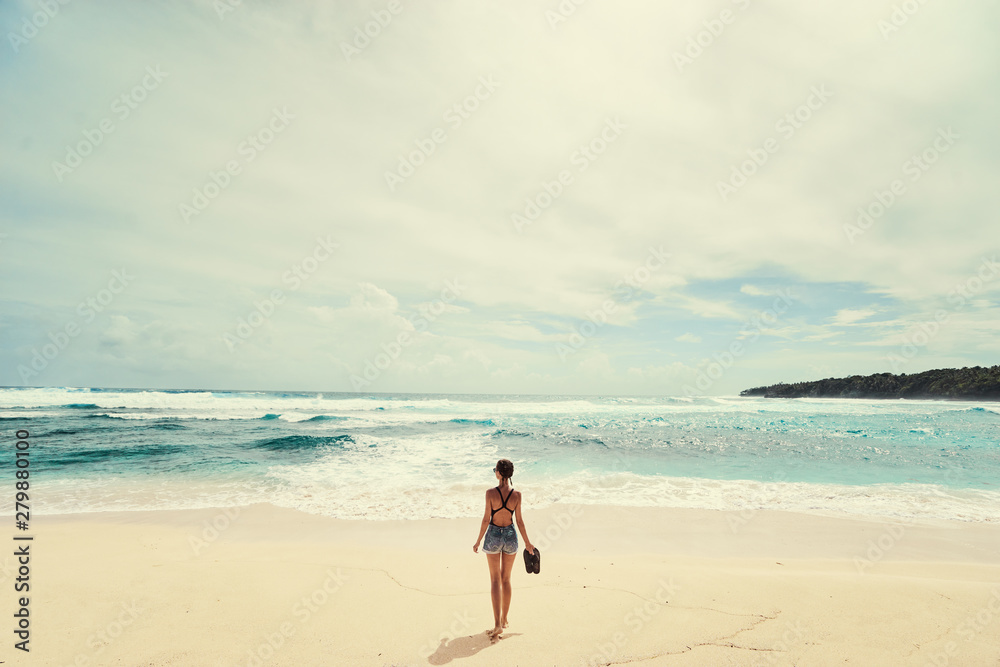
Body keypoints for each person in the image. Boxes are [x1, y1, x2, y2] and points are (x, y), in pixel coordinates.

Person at [472, 458, 535, 641]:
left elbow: (485, 519)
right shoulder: (517, 495)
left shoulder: (490, 493)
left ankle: (497, 624)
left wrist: (478, 541)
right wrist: (528, 543)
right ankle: (505, 619)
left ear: (499, 473)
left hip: (493, 535)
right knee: (506, 579)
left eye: (495, 470)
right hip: (510, 536)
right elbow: (520, 521)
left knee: (495, 580)